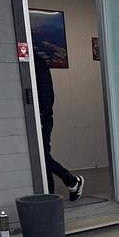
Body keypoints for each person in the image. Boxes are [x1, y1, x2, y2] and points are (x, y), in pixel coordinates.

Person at [33, 53, 84, 201]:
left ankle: (72, 181)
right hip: (40, 117)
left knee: (42, 156)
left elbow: (46, 93)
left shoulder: (36, 63)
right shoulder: (35, 62)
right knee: (42, 156)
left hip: (41, 118)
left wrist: (42, 115)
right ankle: (51, 194)